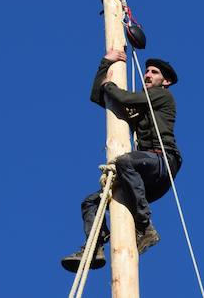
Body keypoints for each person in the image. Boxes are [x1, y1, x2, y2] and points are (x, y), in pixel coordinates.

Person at [61, 51, 182, 273]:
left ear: (166, 82)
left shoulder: (161, 96)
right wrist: (105, 63)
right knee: (91, 203)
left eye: (154, 72)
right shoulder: (141, 103)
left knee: (124, 161)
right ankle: (94, 247)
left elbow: (123, 97)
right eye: (146, 70)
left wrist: (109, 86)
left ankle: (145, 227)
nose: (147, 74)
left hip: (161, 162)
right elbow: (100, 96)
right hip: (140, 172)